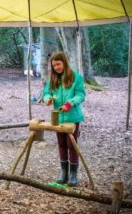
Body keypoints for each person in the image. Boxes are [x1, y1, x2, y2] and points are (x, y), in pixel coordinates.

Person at [43, 52, 86, 186]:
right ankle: (64, 173)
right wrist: (47, 99)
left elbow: (81, 95)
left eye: (58, 64)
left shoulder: (76, 77)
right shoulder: (52, 79)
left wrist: (70, 103)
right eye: (54, 65)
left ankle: (73, 175)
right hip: (58, 118)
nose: (56, 67)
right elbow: (46, 93)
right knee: (61, 145)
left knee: (71, 145)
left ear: (64, 63)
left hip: (72, 117)